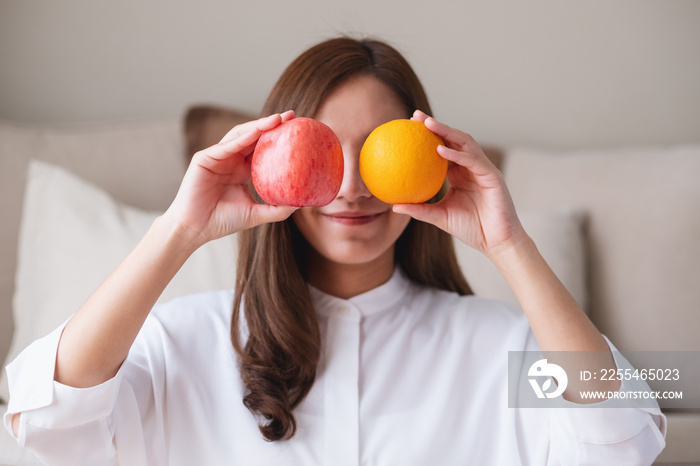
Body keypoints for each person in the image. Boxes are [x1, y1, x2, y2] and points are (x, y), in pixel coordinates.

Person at [4, 37, 665, 465]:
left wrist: (510, 243)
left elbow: (627, 436)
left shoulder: (504, 347)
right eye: (326, 153)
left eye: (379, 152)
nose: (350, 187)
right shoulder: (188, 340)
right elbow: (46, 422)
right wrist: (179, 227)